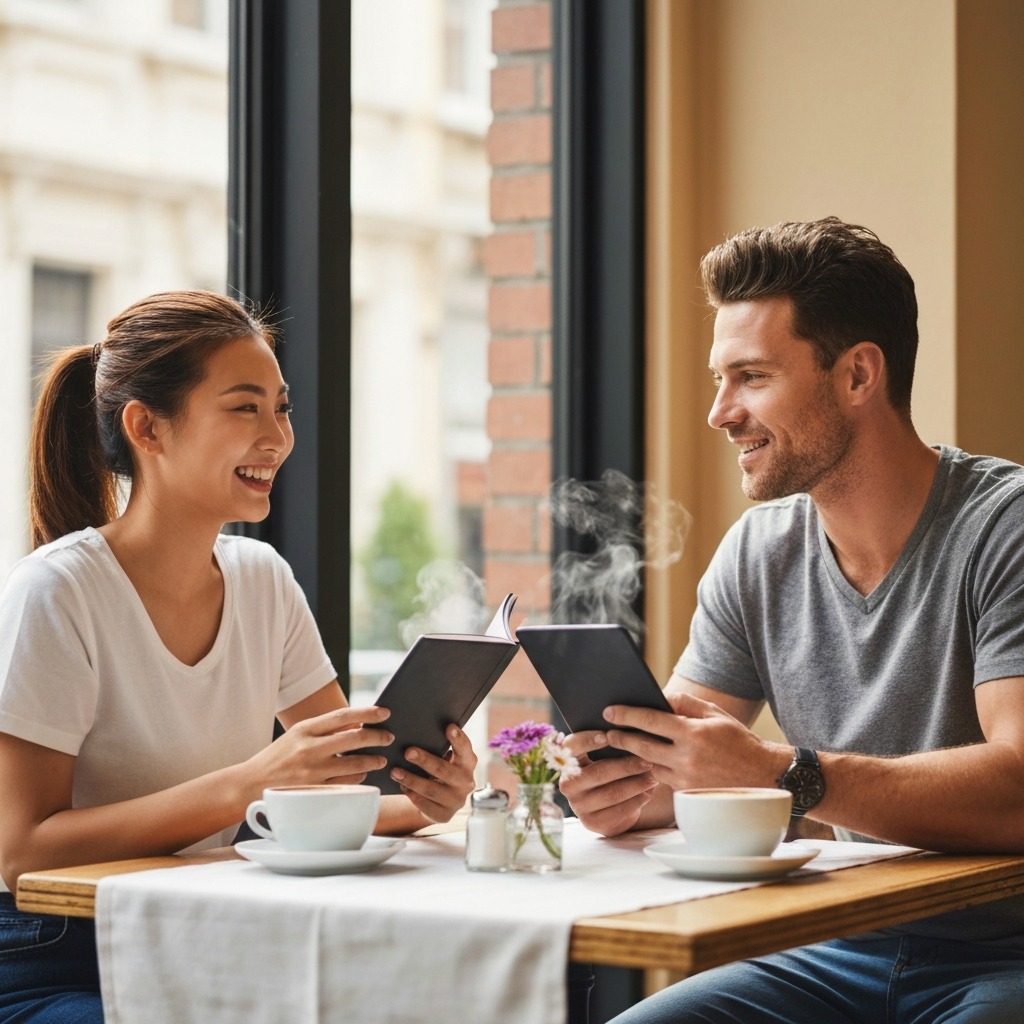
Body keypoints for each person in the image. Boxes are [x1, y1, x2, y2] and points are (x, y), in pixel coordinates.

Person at [560, 218, 1024, 1023]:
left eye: (750, 377)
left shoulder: (1004, 527)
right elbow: (701, 764)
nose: (719, 413)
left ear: (857, 376)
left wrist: (783, 772)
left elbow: (1020, 786)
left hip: (1004, 955)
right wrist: (628, 788)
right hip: (837, 941)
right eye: (719, 379)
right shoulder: (760, 551)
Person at [0, 290, 477, 1022]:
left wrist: (421, 795)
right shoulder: (57, 594)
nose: (277, 437)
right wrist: (249, 785)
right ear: (146, 428)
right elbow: (25, 851)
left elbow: (342, 784)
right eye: (244, 408)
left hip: (204, 932)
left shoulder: (263, 581)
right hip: (55, 954)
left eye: (281, 409)